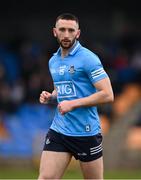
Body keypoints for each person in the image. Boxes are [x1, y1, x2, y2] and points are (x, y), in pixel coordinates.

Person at [38, 13, 114, 180]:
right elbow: (64, 90)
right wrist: (51, 96)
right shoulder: (53, 61)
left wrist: (73, 104)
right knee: (46, 178)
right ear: (54, 32)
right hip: (59, 130)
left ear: (78, 33)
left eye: (71, 30)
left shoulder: (89, 59)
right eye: (62, 29)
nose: (66, 35)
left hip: (86, 132)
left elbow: (108, 94)